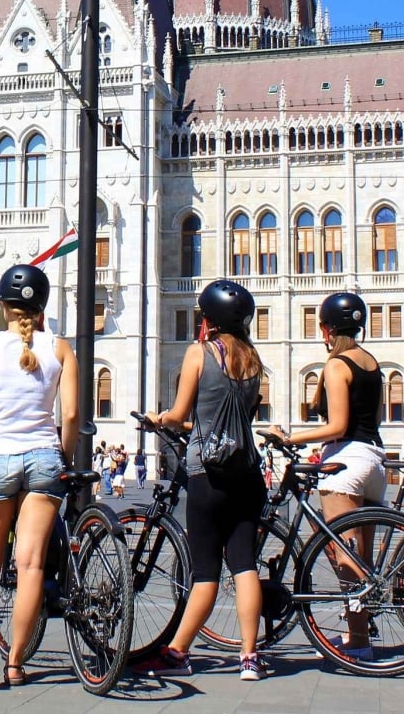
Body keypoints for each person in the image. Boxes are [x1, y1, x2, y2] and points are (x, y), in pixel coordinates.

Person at [136, 279, 269, 682]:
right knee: (244, 565)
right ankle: (249, 657)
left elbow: (178, 414)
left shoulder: (200, 352)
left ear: (209, 318)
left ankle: (178, 652)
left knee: (206, 570)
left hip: (206, 472)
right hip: (246, 472)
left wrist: (161, 419)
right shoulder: (253, 359)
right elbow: (235, 419)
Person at [0, 264, 79, 689]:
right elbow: (69, 414)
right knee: (30, 565)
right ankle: (15, 663)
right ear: (41, 308)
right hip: (44, 458)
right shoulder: (61, 349)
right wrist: (61, 455)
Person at [266, 291, 387, 664]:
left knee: (341, 555)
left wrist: (289, 437)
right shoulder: (372, 363)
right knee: (359, 558)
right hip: (374, 462)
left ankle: (358, 641)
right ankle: (358, 632)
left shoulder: (337, 365)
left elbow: (336, 425)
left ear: (327, 329)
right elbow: (374, 419)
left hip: (346, 464)